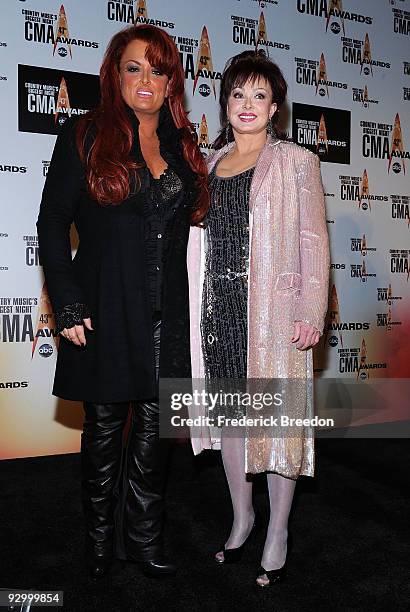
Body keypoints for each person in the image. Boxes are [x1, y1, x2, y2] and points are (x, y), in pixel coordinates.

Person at [37, 24, 207, 580]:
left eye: (158, 70)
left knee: (157, 435)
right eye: (134, 67)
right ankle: (100, 543)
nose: (145, 80)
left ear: (170, 82)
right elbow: (53, 221)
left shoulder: (184, 145)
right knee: (106, 430)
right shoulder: (85, 135)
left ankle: (144, 539)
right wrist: (67, 302)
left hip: (168, 314)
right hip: (106, 308)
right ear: (114, 73)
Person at [187, 50, 330, 588]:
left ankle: (278, 531)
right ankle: (242, 517)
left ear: (275, 109)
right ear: (226, 104)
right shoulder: (207, 163)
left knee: (277, 424)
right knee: (229, 421)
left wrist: (311, 311)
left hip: (273, 314)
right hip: (216, 312)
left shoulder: (297, 162)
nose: (247, 105)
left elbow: (314, 242)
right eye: (238, 94)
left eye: (259, 96)